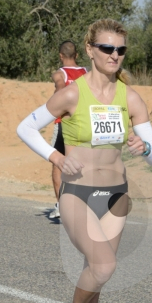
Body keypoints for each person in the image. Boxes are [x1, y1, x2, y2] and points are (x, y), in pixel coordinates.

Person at [17, 19, 152, 303]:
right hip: (78, 193)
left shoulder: (131, 98)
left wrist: (147, 149)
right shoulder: (71, 93)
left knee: (96, 277)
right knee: (104, 266)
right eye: (107, 48)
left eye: (121, 50)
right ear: (90, 50)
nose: (115, 55)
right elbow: (25, 128)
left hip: (115, 195)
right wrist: (55, 157)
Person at [49, 40, 87, 219]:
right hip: (86, 122)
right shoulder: (87, 72)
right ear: (77, 55)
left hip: (65, 122)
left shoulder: (59, 73)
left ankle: (61, 205)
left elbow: (60, 89)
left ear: (60, 56)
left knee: (58, 162)